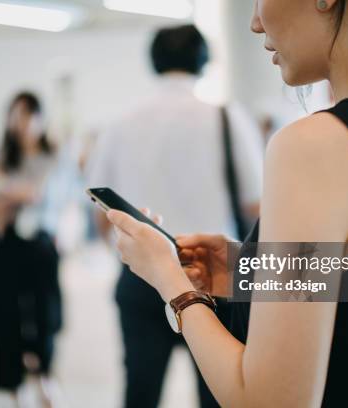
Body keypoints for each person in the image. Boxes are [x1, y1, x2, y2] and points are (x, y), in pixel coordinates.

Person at [106, 1, 348, 407]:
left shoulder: (318, 145)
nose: (253, 21)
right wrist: (246, 270)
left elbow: (269, 402)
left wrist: (168, 279)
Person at [87, 24, 263, 408]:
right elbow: (256, 205)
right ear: (203, 60)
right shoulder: (227, 118)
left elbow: (102, 213)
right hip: (214, 273)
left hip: (141, 276)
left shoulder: (120, 123)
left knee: (141, 390)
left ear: (154, 61)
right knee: (219, 389)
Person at [0, 92, 72, 407]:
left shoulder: (56, 156)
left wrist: (8, 191)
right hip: (7, 244)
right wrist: (13, 196)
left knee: (46, 315)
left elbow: (53, 198)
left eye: (29, 114)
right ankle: (14, 386)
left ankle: (44, 373)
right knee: (5, 314)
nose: (23, 122)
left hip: (42, 244)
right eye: (16, 114)